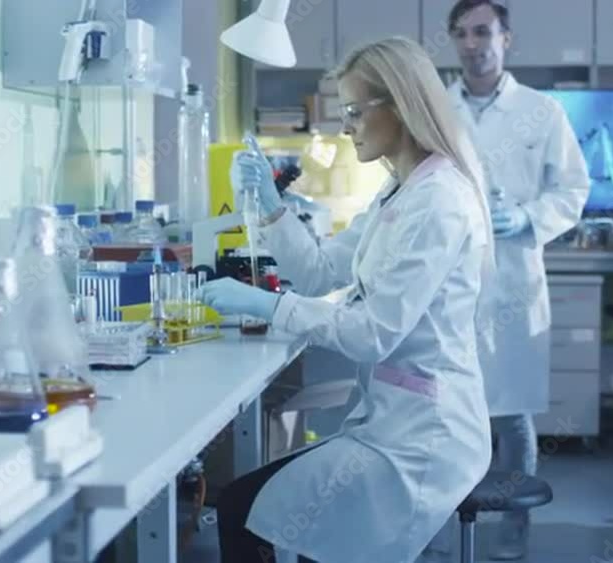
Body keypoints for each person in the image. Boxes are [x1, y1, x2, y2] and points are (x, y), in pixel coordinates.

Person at [200, 36, 496, 563]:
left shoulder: (438, 202)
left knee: (244, 510)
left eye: (356, 111)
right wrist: (272, 211)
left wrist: (267, 306)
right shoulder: (398, 191)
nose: (346, 125)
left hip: (425, 439)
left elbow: (373, 334)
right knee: (264, 510)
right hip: (389, 421)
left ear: (401, 106)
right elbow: (319, 274)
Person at [445, 1, 590, 559]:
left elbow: (573, 191)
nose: (471, 43)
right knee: (451, 410)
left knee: (510, 413)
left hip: (511, 281)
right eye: (460, 34)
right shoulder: (438, 108)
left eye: (482, 31)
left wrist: (526, 217)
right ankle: (455, 534)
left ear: (507, 38)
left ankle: (511, 540)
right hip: (451, 281)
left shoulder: (542, 111)